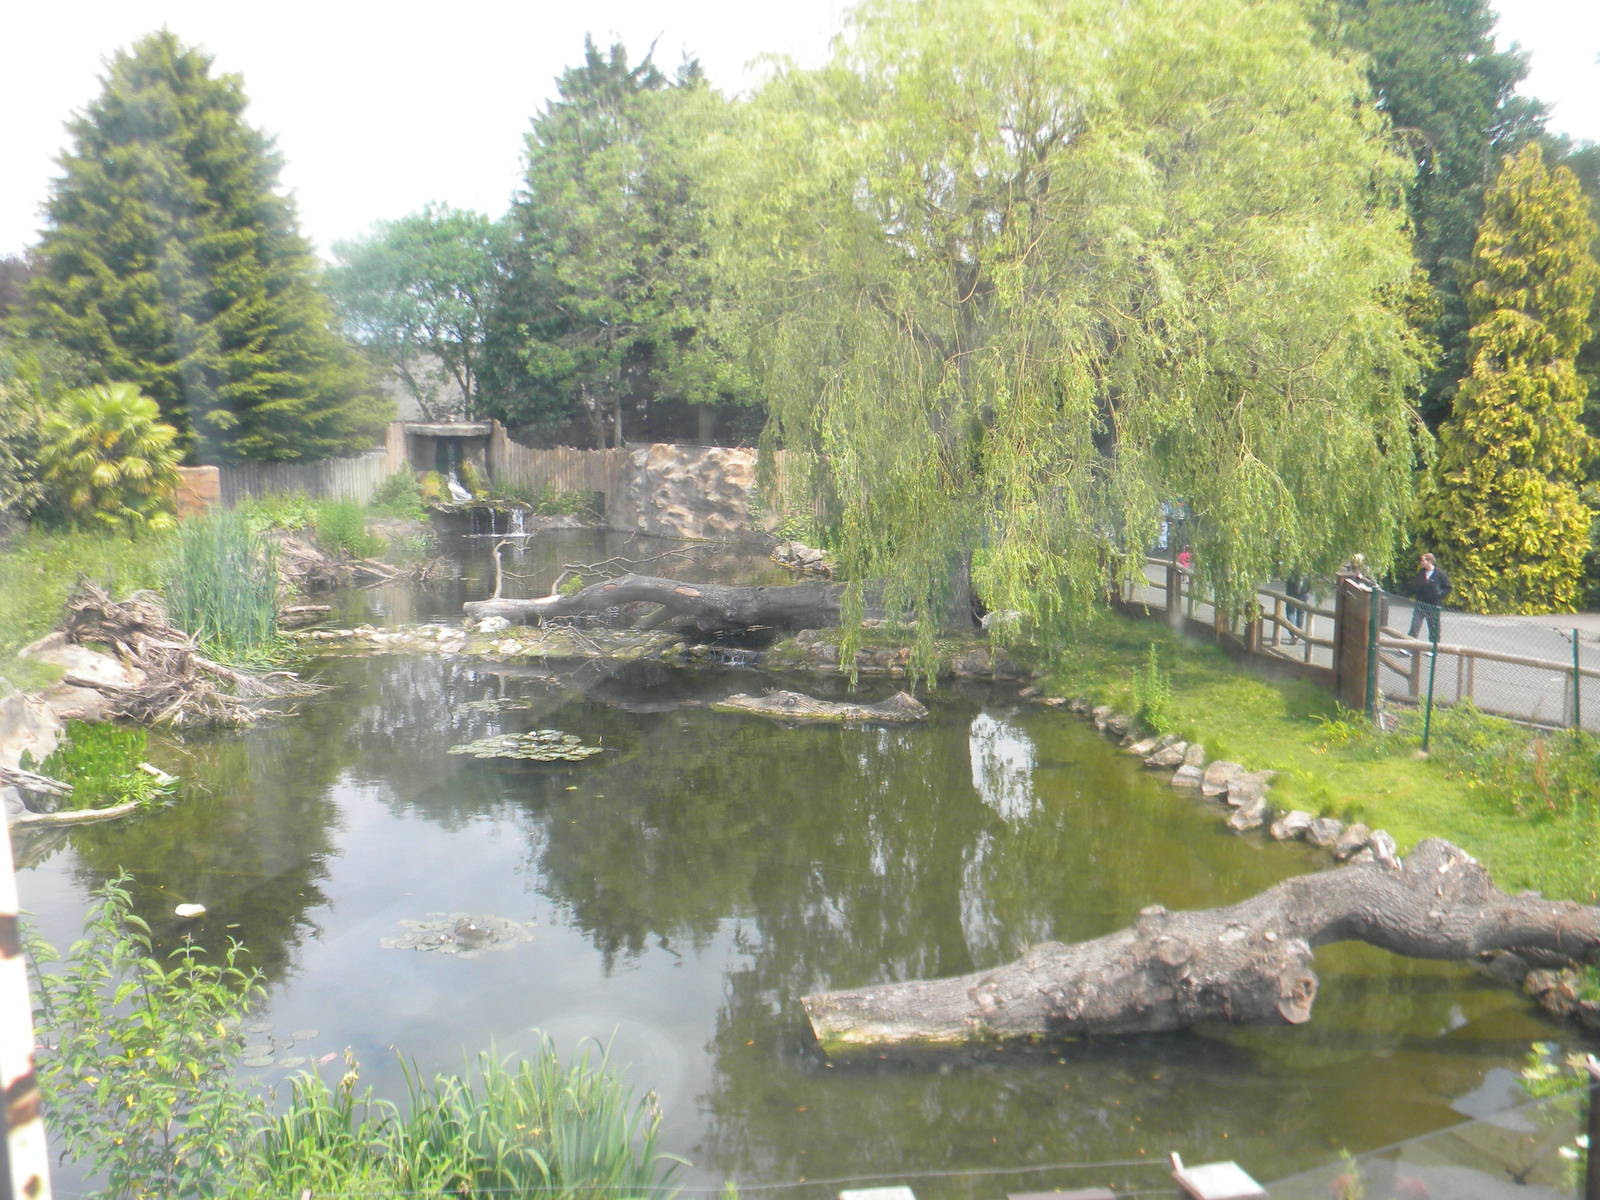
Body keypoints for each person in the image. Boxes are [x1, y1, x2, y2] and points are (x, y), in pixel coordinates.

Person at [1406, 552, 1450, 646]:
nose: (1421, 562)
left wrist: (1439, 594)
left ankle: (1433, 648)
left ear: (1429, 561)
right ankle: (1408, 647)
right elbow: (1416, 585)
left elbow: (1448, 588)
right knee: (1415, 625)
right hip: (1420, 604)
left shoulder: (1440, 574)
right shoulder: (1421, 572)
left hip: (1433, 606)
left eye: (1423, 560)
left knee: (1434, 628)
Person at [1284, 573, 1311, 642]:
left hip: (1292, 591)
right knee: (1300, 613)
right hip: (1304, 591)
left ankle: (1294, 633)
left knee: (1290, 613)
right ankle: (1298, 633)